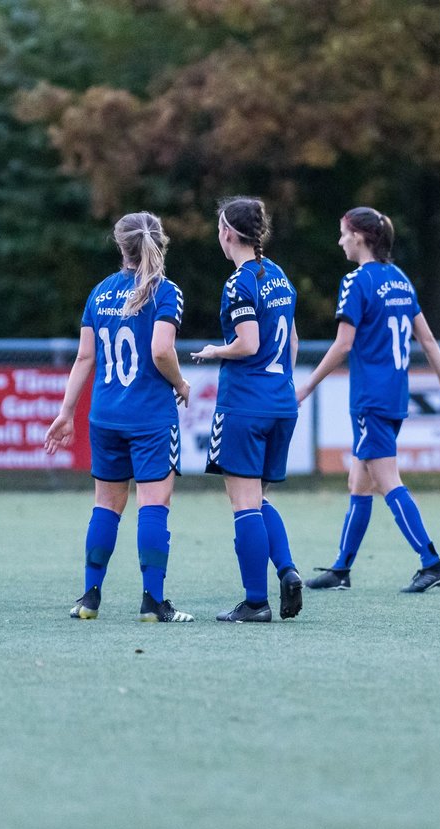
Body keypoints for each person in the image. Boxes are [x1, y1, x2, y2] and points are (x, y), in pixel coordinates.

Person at [296, 206, 440, 593]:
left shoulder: (357, 282)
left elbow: (343, 345)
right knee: (359, 481)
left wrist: (307, 385)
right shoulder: (400, 280)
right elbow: (427, 339)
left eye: (343, 233)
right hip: (395, 395)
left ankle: (431, 562)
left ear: (359, 237)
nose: (340, 241)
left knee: (387, 480)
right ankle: (341, 569)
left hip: (370, 398)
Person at [44, 211, 194, 623]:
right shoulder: (165, 291)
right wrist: (180, 383)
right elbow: (162, 351)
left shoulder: (100, 292)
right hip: (150, 417)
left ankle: (89, 598)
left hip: (105, 416)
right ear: (159, 242)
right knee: (153, 504)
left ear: (120, 245)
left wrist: (65, 412)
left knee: (106, 507)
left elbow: (84, 357)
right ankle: (153, 603)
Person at [190, 197, 303, 622]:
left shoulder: (240, 282)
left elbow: (249, 344)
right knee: (259, 499)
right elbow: (290, 343)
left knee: (243, 505)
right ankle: (288, 569)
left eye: (219, 228)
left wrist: (213, 350)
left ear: (229, 234)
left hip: (244, 406)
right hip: (280, 402)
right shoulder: (280, 276)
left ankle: (256, 602)